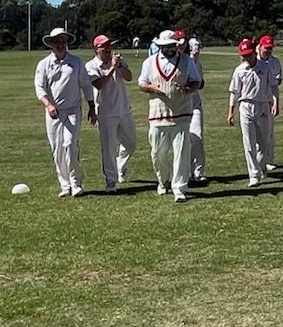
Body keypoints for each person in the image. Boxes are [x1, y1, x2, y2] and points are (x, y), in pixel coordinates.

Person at [138, 30, 201, 202]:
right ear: (159, 46)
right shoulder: (149, 62)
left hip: (181, 113)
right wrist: (152, 89)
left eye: (172, 45)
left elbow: (196, 81)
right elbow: (141, 84)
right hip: (158, 114)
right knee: (158, 153)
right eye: (165, 46)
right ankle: (162, 180)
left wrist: (188, 89)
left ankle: (179, 187)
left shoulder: (187, 61)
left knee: (181, 152)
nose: (170, 49)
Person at [34, 27, 97, 197]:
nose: (60, 44)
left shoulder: (76, 62)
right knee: (57, 149)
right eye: (57, 41)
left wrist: (92, 107)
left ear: (67, 43)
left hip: (73, 109)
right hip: (53, 111)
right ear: (52, 44)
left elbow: (85, 85)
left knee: (69, 144)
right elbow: (40, 88)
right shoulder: (44, 64)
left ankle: (76, 182)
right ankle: (65, 185)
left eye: (63, 41)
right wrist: (48, 105)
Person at [85, 35, 137, 193]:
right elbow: (98, 84)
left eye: (109, 46)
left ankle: (120, 166)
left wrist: (119, 66)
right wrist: (112, 68)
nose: (108, 49)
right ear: (96, 49)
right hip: (106, 112)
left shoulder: (117, 60)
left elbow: (129, 77)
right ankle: (111, 182)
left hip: (123, 109)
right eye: (104, 46)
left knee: (131, 143)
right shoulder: (91, 66)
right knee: (108, 148)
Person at [227, 38, 279, 187]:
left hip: (262, 106)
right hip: (245, 106)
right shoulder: (239, 70)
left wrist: (276, 103)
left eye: (249, 54)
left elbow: (274, 86)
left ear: (254, 52)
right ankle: (253, 175)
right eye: (244, 55)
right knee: (248, 143)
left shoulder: (265, 67)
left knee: (263, 143)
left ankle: (261, 165)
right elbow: (234, 92)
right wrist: (231, 111)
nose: (247, 58)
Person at [175, 30, 207, 183]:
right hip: (178, 106)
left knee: (197, 136)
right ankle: (185, 172)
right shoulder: (169, 61)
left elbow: (201, 84)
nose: (181, 46)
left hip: (194, 104)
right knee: (183, 140)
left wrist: (195, 63)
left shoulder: (192, 60)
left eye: (183, 42)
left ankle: (198, 172)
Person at [256, 34, 282, 171]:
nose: (268, 51)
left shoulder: (275, 62)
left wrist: (276, 102)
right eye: (266, 48)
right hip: (254, 101)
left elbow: (276, 83)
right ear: (260, 47)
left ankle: (269, 160)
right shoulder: (252, 60)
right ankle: (257, 162)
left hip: (268, 101)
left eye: (271, 48)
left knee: (269, 133)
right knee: (255, 133)